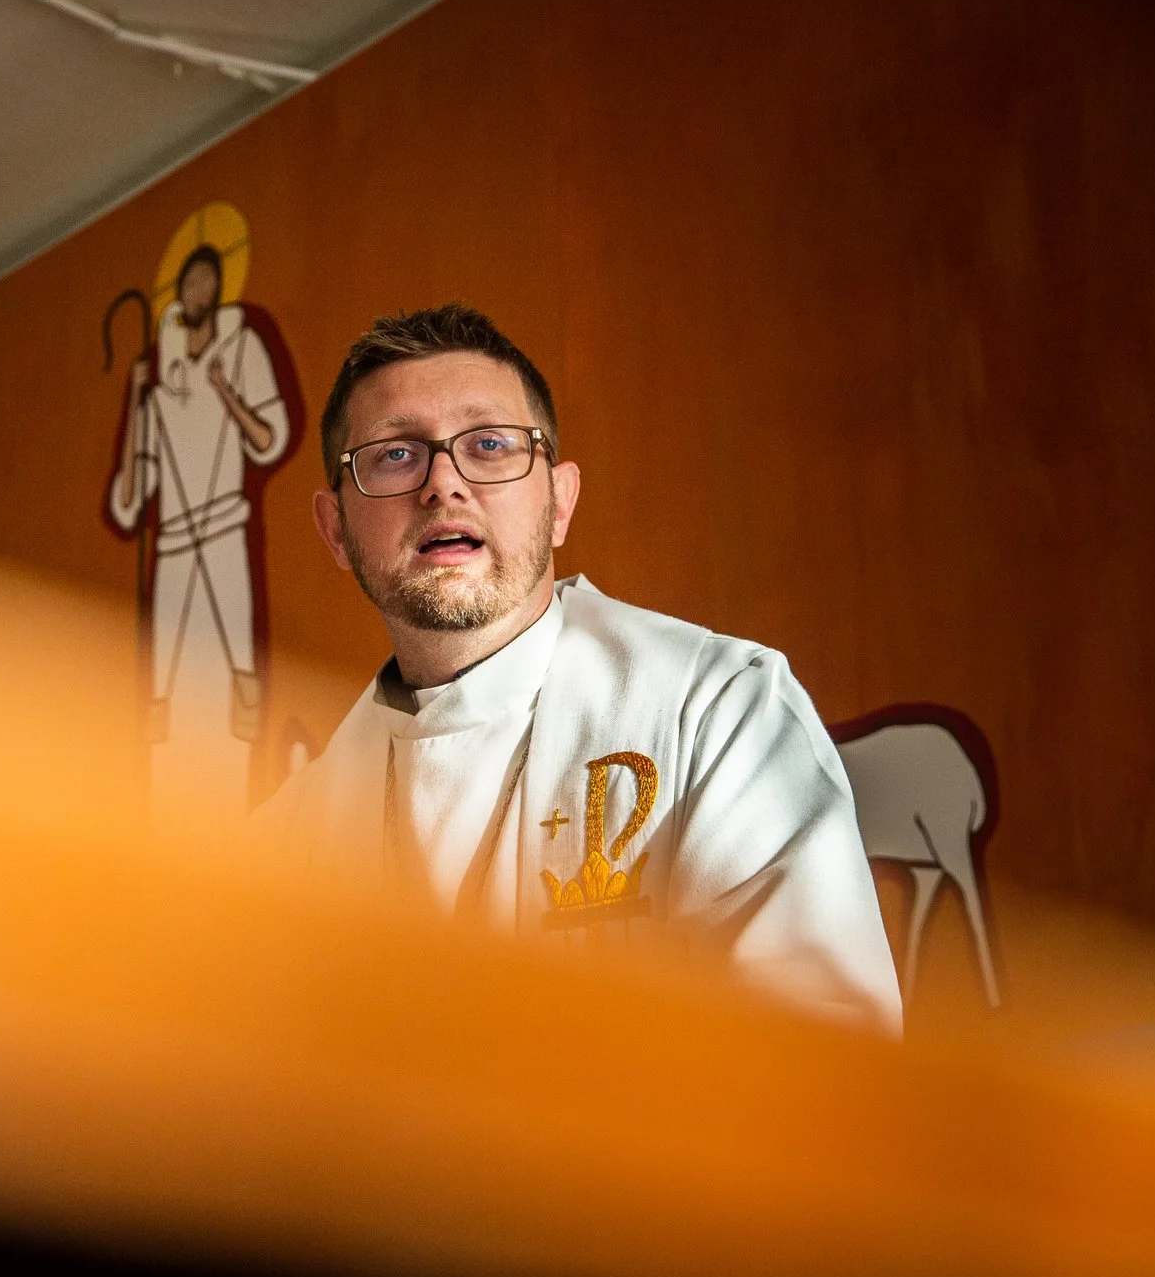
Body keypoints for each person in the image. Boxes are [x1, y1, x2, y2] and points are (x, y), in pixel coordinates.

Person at [262, 304, 901, 1031]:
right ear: (336, 530)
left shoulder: (715, 711)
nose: (444, 483)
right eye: (395, 455)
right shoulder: (286, 842)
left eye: (491, 443)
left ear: (559, 502)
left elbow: (829, 1059)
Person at [106, 244, 294, 811]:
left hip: (223, 530)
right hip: (172, 548)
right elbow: (131, 494)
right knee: (170, 693)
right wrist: (140, 397)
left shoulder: (243, 348)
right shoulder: (160, 368)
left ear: (220, 291)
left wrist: (224, 391)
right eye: (190, 282)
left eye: (208, 282)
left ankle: (233, 819)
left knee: (234, 684)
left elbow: (270, 439)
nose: (198, 291)